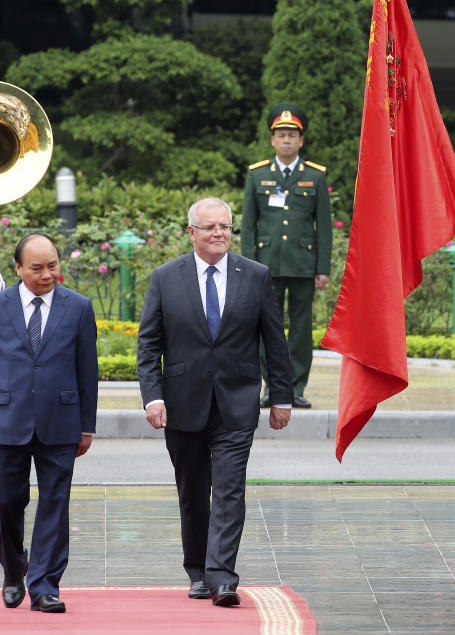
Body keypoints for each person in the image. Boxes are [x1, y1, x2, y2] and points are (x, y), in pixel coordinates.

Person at [137, 197, 292, 606]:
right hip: (182, 402)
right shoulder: (166, 277)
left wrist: (282, 397)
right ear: (192, 232)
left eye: (225, 226)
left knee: (228, 490)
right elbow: (149, 344)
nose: (219, 233)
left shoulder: (255, 276)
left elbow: (274, 341)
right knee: (192, 491)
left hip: (237, 402)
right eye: (209, 228)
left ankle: (223, 576)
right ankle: (198, 571)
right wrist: (152, 397)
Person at [0, 233, 98, 613]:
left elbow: (88, 371)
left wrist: (87, 426)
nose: (47, 274)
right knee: (6, 502)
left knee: (55, 502)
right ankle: (13, 570)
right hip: (8, 420)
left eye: (52, 265)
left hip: (61, 420)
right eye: (36, 268)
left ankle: (45, 585)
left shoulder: (79, 307)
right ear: (18, 268)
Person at [241, 102, 331, 409]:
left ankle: (296, 386)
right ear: (272, 140)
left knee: (302, 327)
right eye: (281, 134)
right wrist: (248, 266)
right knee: (267, 326)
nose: (287, 140)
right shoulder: (257, 175)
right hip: (265, 266)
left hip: (303, 265)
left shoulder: (315, 176)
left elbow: (324, 228)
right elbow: (248, 226)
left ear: (301, 140)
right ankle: (271, 387)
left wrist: (322, 268)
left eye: (292, 134)